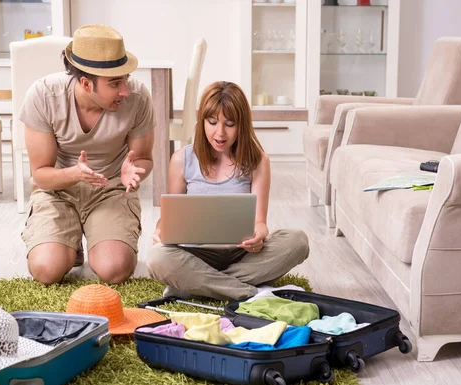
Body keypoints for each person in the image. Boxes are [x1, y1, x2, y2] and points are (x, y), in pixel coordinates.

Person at [146, 81, 309, 300]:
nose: (220, 133)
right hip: (197, 255)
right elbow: (168, 219)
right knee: (157, 258)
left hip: (242, 254)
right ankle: (251, 293)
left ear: (242, 125)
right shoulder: (181, 160)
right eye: (212, 122)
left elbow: (260, 223)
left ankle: (193, 285)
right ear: (202, 121)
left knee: (297, 241)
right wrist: (160, 230)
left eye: (230, 124)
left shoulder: (258, 161)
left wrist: (259, 236)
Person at [20, 24, 155, 285]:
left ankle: (92, 237)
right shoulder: (44, 96)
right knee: (47, 270)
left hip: (111, 190)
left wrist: (134, 170)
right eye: (115, 83)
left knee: (114, 270)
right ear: (85, 83)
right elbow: (41, 175)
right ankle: (69, 244)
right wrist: (75, 174)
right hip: (58, 191)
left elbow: (145, 159)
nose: (125, 90)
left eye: (126, 78)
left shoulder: (137, 98)